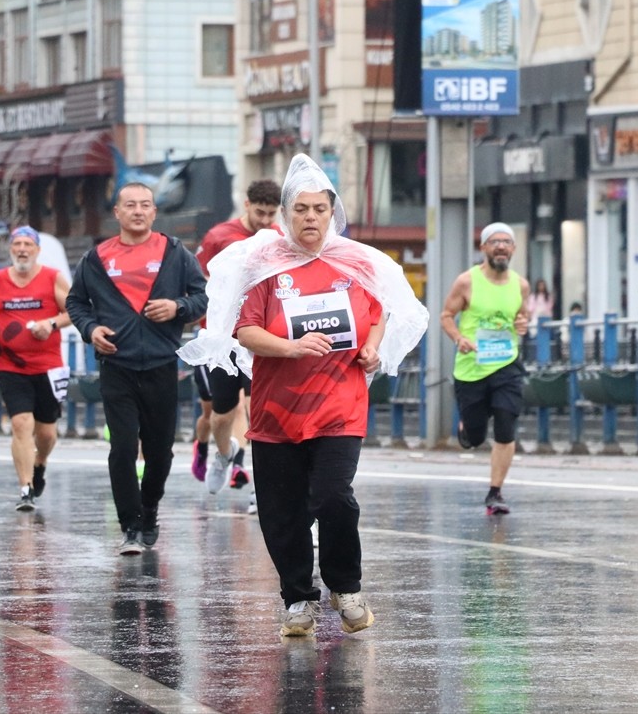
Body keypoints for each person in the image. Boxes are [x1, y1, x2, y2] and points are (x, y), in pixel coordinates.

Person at [179, 154, 427, 637]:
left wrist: (374, 348)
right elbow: (243, 329)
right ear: (285, 215)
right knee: (282, 510)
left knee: (335, 497)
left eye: (320, 209)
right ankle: (297, 598)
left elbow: (379, 312)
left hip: (340, 405)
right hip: (276, 409)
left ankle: (345, 586)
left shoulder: (356, 262)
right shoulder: (263, 266)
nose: (311, 218)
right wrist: (290, 348)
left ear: (333, 214)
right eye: (301, 209)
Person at [66, 183, 207, 554]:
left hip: (162, 365)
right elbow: (76, 303)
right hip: (117, 365)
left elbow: (202, 296)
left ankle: (149, 507)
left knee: (161, 451)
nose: (138, 211)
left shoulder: (175, 252)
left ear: (154, 212)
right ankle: (130, 526)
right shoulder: (96, 258)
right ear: (117, 212)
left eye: (145, 205)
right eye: (130, 205)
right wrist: (91, 329)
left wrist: (177, 307)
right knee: (123, 447)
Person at [194, 178, 281, 496]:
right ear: (247, 205)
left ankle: (264, 486)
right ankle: (223, 453)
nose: (265, 221)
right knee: (221, 414)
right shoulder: (219, 236)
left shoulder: (278, 238)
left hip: (261, 336)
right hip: (224, 337)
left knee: (260, 409)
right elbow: (198, 281)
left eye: (272, 214)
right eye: (260, 212)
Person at [0, 226, 72, 512]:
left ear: (37, 250)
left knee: (46, 433)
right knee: (20, 423)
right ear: (10, 249)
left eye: (27, 244)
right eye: (16, 244)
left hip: (48, 366)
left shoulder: (52, 278)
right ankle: (25, 487)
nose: (21, 249)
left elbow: (75, 310)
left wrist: (51, 324)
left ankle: (40, 462)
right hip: (11, 364)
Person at [440, 222, 531, 515]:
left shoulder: (521, 285)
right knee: (476, 438)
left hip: (506, 363)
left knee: (506, 426)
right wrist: (459, 338)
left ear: (513, 249)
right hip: (472, 367)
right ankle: (467, 427)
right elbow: (446, 316)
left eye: (506, 242)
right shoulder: (467, 282)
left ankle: (495, 493)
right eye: (495, 241)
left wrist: (522, 324)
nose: (501, 246)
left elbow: (522, 318)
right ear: (484, 248)